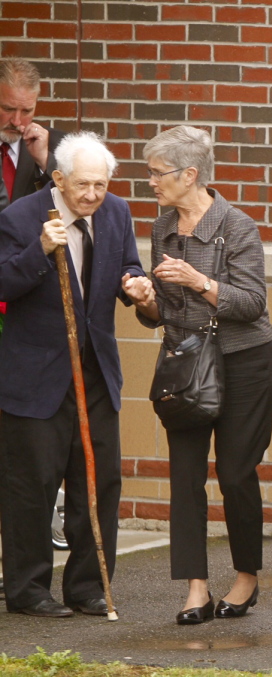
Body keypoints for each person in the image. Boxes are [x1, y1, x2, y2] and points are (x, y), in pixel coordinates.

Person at [0, 131, 150, 617]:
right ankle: (28, 590)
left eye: (101, 186)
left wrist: (137, 288)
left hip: (95, 371)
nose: (92, 196)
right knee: (33, 485)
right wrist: (39, 251)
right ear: (59, 178)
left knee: (99, 482)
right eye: (83, 185)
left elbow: (127, 266)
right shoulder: (20, 218)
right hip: (36, 377)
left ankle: (87, 585)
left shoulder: (116, 213)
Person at [134, 125, 272, 625]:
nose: (150, 181)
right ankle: (195, 587)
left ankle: (246, 578)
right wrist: (148, 303)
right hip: (186, 364)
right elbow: (161, 316)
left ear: (189, 174)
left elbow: (254, 302)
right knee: (185, 475)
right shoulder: (161, 228)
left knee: (236, 472)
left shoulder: (236, 225)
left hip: (244, 362)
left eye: (157, 173)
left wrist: (199, 280)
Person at [0, 58, 64, 213]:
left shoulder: (59, 146)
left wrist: (44, 161)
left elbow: (76, 204)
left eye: (26, 111)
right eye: (8, 109)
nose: (16, 121)